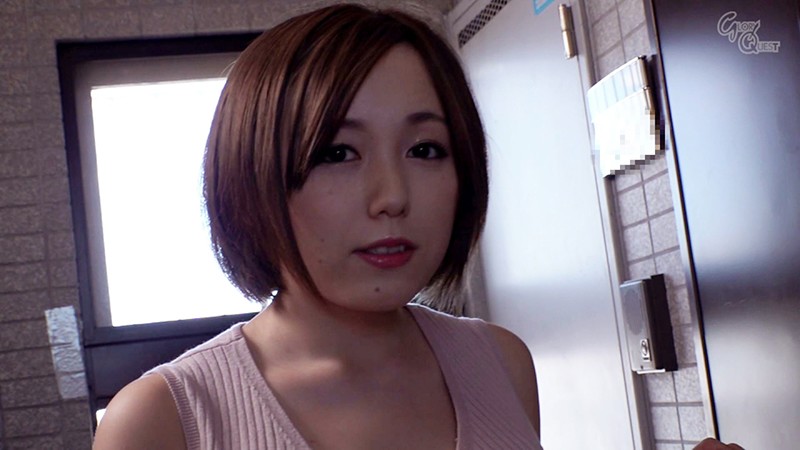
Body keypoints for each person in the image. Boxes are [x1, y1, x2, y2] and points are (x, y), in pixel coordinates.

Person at [93, 4, 743, 450]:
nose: (393, 197)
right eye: (337, 152)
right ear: (252, 175)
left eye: (426, 149)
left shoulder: (500, 362)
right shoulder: (163, 421)